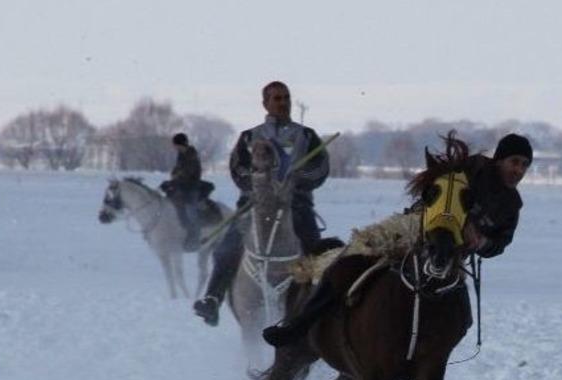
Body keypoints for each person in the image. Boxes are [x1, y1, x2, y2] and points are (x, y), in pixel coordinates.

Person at [262, 133, 533, 347]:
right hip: (415, 228)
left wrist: (482, 242)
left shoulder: (512, 204)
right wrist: (454, 219)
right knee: (353, 257)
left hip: (453, 255)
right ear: (499, 160)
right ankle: (299, 325)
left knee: (461, 319)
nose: (518, 170)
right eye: (514, 162)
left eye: (524, 165)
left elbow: (499, 244)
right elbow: (434, 185)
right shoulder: (472, 168)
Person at [193, 81, 330, 326]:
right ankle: (213, 299)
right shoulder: (248, 137)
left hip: (296, 207)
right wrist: (260, 185)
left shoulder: (307, 136)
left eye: (286, 97)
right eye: (276, 98)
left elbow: (320, 168)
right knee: (226, 248)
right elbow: (238, 169)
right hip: (254, 206)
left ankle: (322, 308)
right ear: (265, 103)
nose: (282, 102)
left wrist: (296, 179)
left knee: (316, 250)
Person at [161, 133, 202, 251]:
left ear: (181, 144)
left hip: (191, 188)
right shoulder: (181, 155)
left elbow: (187, 173)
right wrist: (173, 178)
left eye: (176, 145)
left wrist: (176, 179)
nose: (174, 148)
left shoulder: (192, 156)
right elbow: (177, 169)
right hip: (181, 186)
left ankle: (194, 237)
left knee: (190, 212)